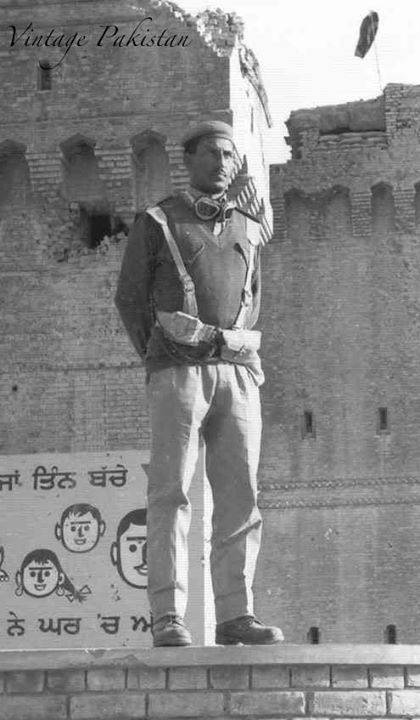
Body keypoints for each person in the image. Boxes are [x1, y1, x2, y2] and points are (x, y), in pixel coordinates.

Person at [115, 120, 283, 647]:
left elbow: (252, 298)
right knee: (170, 493)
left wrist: (226, 344)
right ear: (188, 158)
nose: (223, 163)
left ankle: (236, 614)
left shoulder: (246, 226)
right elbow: (130, 298)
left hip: (235, 370)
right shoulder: (159, 220)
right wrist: (158, 354)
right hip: (177, 371)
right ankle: (167, 615)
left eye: (231, 156)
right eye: (212, 153)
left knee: (241, 496)